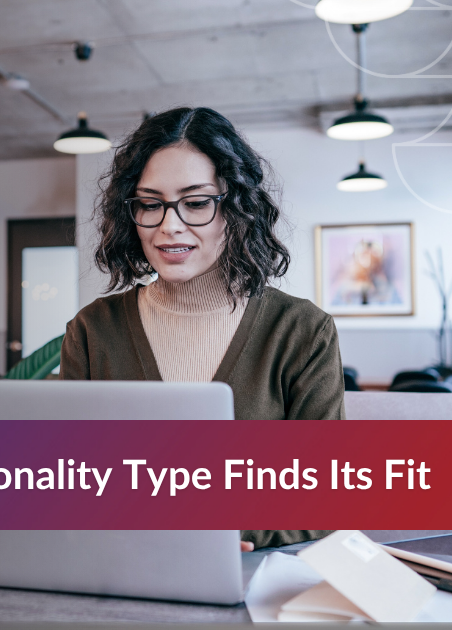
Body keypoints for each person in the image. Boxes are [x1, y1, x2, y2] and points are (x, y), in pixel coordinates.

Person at [61, 106, 343, 550]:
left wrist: (229, 531)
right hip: (119, 580)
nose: (169, 226)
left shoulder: (301, 331)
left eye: (195, 203)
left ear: (236, 208)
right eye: (150, 205)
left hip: (251, 587)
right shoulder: (93, 330)